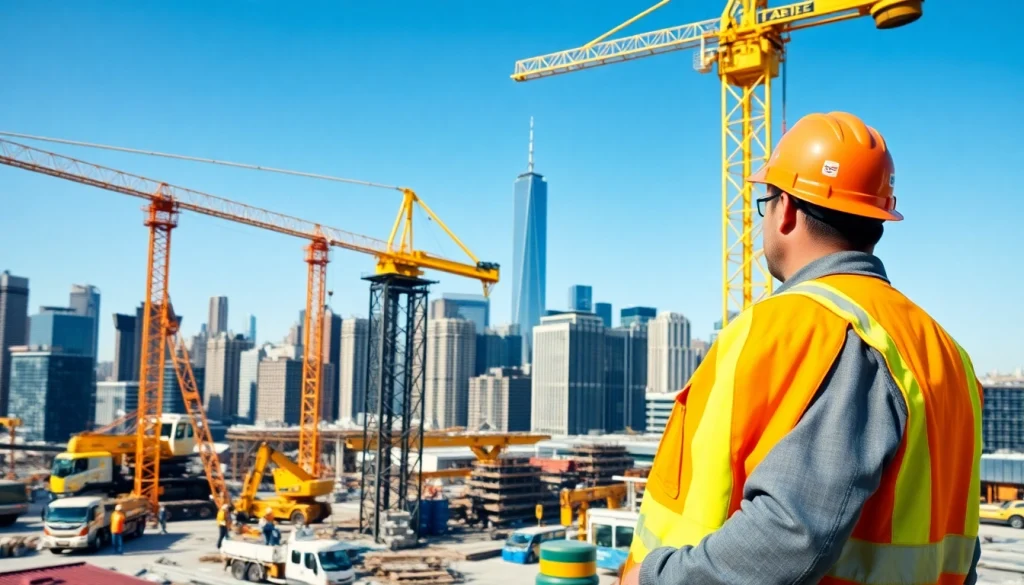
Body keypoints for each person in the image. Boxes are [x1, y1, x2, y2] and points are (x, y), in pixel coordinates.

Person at [619, 111, 983, 585]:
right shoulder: (948, 353)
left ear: (785, 209)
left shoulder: (807, 328)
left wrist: (653, 578)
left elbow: (789, 535)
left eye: (764, 202)